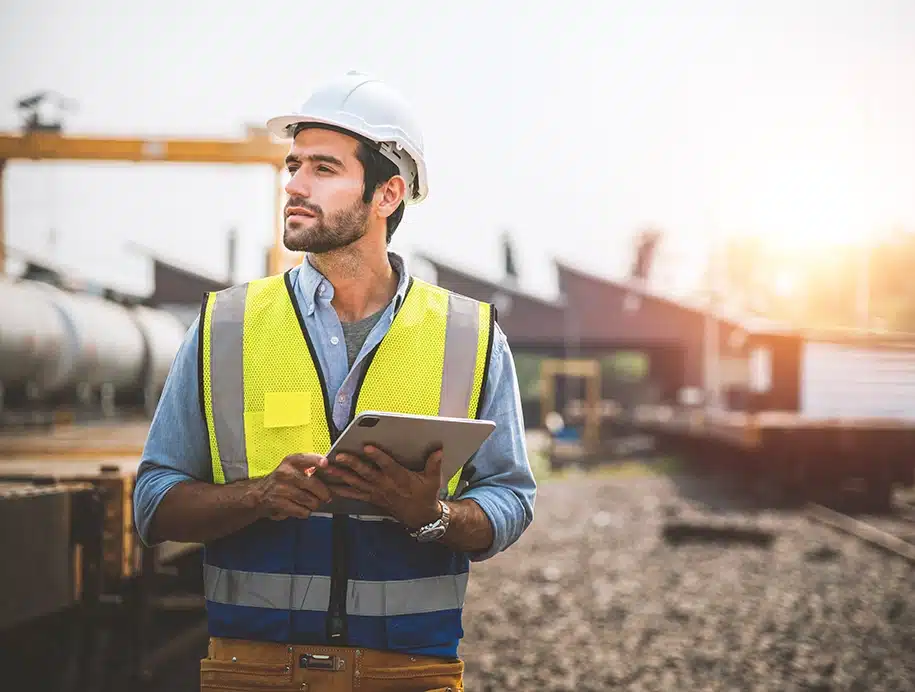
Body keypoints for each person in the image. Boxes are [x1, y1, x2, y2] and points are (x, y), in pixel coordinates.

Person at [132, 71, 537, 692]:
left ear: (387, 194)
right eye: (293, 165)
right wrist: (258, 495)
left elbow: (511, 499)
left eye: (323, 168)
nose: (293, 184)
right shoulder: (224, 326)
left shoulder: (469, 335)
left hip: (409, 673)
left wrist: (430, 515)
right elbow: (154, 504)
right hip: (251, 672)